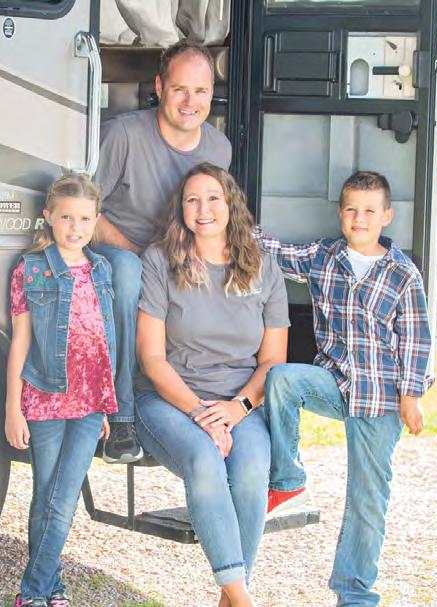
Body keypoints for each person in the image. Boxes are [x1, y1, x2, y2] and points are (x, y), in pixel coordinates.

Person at [259, 171, 433, 606]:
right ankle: (287, 477)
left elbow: (416, 339)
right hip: (333, 383)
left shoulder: (402, 274)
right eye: (352, 209)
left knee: (367, 499)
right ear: (340, 213)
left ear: (387, 216)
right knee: (281, 378)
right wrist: (231, 221)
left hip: (381, 397)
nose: (360, 218)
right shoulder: (324, 257)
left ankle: (354, 595)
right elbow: (274, 252)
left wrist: (411, 396)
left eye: (370, 210)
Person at [134, 163, 289, 607]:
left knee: (253, 469)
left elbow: (273, 360)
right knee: (205, 459)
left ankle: (231, 598)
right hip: (169, 397)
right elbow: (152, 358)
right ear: (181, 208)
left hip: (240, 401)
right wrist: (201, 413)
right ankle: (242, 600)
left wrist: (238, 408)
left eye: (213, 198)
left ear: (231, 204)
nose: (203, 209)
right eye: (192, 200)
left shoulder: (263, 267)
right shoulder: (160, 261)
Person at [94, 40, 232, 464]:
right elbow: (84, 210)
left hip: (175, 257)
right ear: (159, 87)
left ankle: (206, 404)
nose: (190, 102)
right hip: (119, 253)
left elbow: (213, 216)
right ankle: (121, 417)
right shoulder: (122, 134)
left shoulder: (219, 148)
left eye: (201, 91)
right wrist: (139, 255)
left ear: (212, 92)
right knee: (129, 272)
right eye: (179, 89)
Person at [5, 175, 117, 607]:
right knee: (47, 496)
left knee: (62, 497)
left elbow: (105, 339)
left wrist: (105, 402)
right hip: (44, 398)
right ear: (48, 216)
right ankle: (49, 588)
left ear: (97, 220)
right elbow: (20, 342)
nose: (75, 227)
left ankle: (34, 591)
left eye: (85, 218)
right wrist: (13, 408)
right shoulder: (31, 269)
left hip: (89, 405)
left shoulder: (101, 269)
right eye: (66, 217)